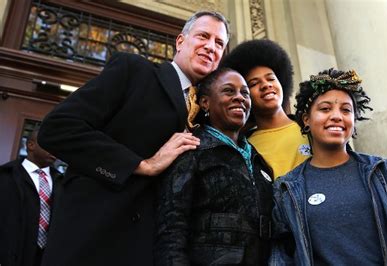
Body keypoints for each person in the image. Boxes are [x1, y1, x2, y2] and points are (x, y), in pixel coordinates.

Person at [37, 11, 229, 266]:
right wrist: (142, 165)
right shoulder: (134, 70)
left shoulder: (209, 113)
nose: (210, 47)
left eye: (219, 43)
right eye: (203, 36)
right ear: (180, 41)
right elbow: (58, 128)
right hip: (95, 239)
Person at [270, 68, 387, 265]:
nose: (336, 116)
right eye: (325, 109)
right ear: (306, 119)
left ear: (354, 120)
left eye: (346, 110)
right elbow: (282, 256)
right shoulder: (287, 189)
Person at [154, 68, 273, 265]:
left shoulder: (259, 160)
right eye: (229, 91)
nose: (239, 98)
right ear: (205, 102)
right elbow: (171, 230)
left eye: (245, 93)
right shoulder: (191, 150)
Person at [220, 39, 311, 179]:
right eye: (254, 83)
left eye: (271, 79)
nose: (265, 85)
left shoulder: (312, 128)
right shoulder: (243, 147)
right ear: (245, 96)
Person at [0, 127, 61, 266]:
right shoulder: (5, 177)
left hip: (47, 257)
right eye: (50, 144)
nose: (55, 150)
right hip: (11, 255)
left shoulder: (62, 182)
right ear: (31, 145)